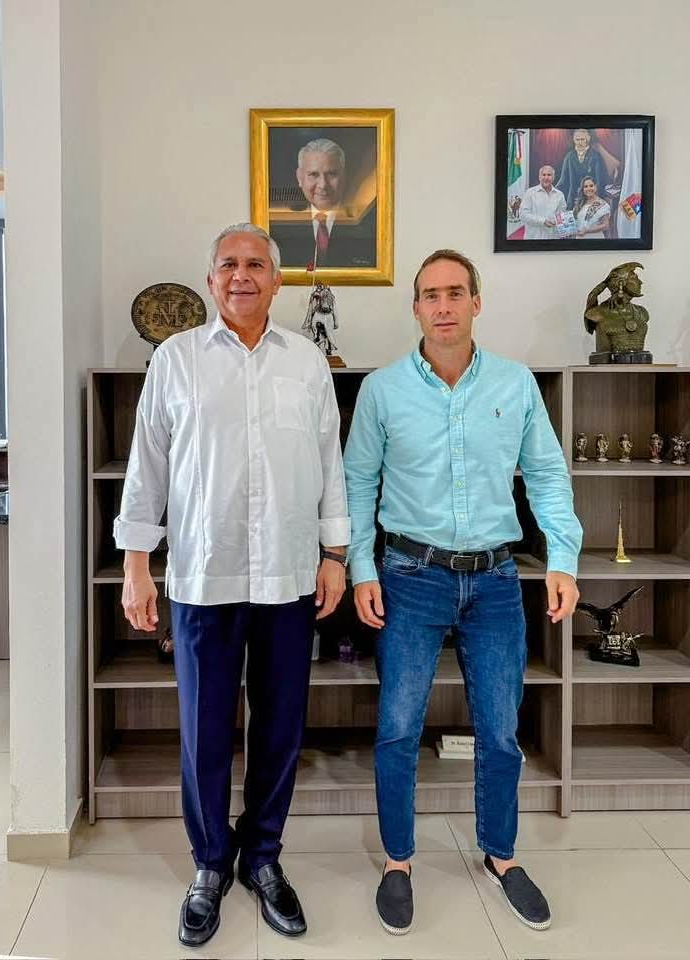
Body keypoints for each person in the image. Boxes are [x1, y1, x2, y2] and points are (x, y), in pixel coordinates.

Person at [114, 222, 350, 947]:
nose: (241, 275)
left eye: (255, 264)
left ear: (276, 281)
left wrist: (335, 553)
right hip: (201, 577)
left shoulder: (306, 363)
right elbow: (148, 466)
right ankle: (212, 863)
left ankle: (264, 857)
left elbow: (330, 463)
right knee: (205, 731)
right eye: (228, 264)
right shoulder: (175, 360)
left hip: (288, 575)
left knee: (280, 728)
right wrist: (135, 564)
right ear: (211, 280)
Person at [344, 249, 582, 936]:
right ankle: (398, 862)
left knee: (501, 731)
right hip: (409, 577)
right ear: (415, 308)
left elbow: (547, 475)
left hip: (496, 583)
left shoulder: (516, 383)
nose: (443, 305)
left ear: (476, 302)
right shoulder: (384, 390)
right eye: (430, 294)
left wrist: (563, 559)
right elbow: (358, 482)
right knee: (398, 727)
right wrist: (361, 568)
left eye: (455, 292)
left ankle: (502, 855)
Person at [269, 137, 377, 269]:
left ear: (344, 176)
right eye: (314, 175)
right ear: (299, 178)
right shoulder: (278, 230)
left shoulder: (370, 225)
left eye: (331, 174)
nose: (323, 185)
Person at [556, 128, 606, 212]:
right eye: (577, 140)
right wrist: (552, 191)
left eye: (582, 139)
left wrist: (594, 201)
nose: (580, 142)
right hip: (573, 200)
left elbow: (599, 182)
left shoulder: (595, 156)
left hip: (591, 200)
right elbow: (563, 180)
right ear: (574, 141)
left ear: (587, 140)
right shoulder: (569, 156)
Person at [518, 165, 566, 239]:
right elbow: (523, 214)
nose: (546, 178)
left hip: (553, 238)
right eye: (544, 175)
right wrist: (543, 221)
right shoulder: (530, 193)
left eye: (549, 175)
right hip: (533, 238)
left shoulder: (560, 195)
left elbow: (562, 215)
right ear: (539, 177)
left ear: (553, 177)